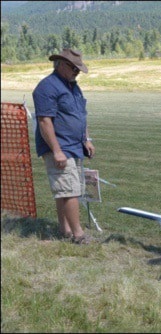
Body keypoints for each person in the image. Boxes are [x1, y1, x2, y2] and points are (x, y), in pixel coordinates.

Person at [33, 48, 96, 244]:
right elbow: (44, 121)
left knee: (65, 190)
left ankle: (65, 230)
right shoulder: (47, 87)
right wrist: (57, 150)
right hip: (60, 148)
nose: (77, 72)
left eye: (78, 68)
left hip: (75, 146)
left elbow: (79, 115)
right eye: (74, 68)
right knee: (70, 191)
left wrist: (87, 139)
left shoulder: (73, 86)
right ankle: (79, 236)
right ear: (60, 64)